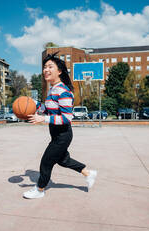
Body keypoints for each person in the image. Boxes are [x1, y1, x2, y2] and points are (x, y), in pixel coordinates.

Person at [23, 53, 97, 199]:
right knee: (63, 160)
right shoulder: (52, 90)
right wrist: (32, 104)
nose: (46, 70)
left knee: (46, 161)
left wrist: (43, 119)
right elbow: (47, 108)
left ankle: (39, 189)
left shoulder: (63, 91)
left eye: (50, 67)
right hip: (56, 134)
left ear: (59, 71)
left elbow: (66, 118)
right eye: (44, 67)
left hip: (63, 134)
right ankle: (88, 173)